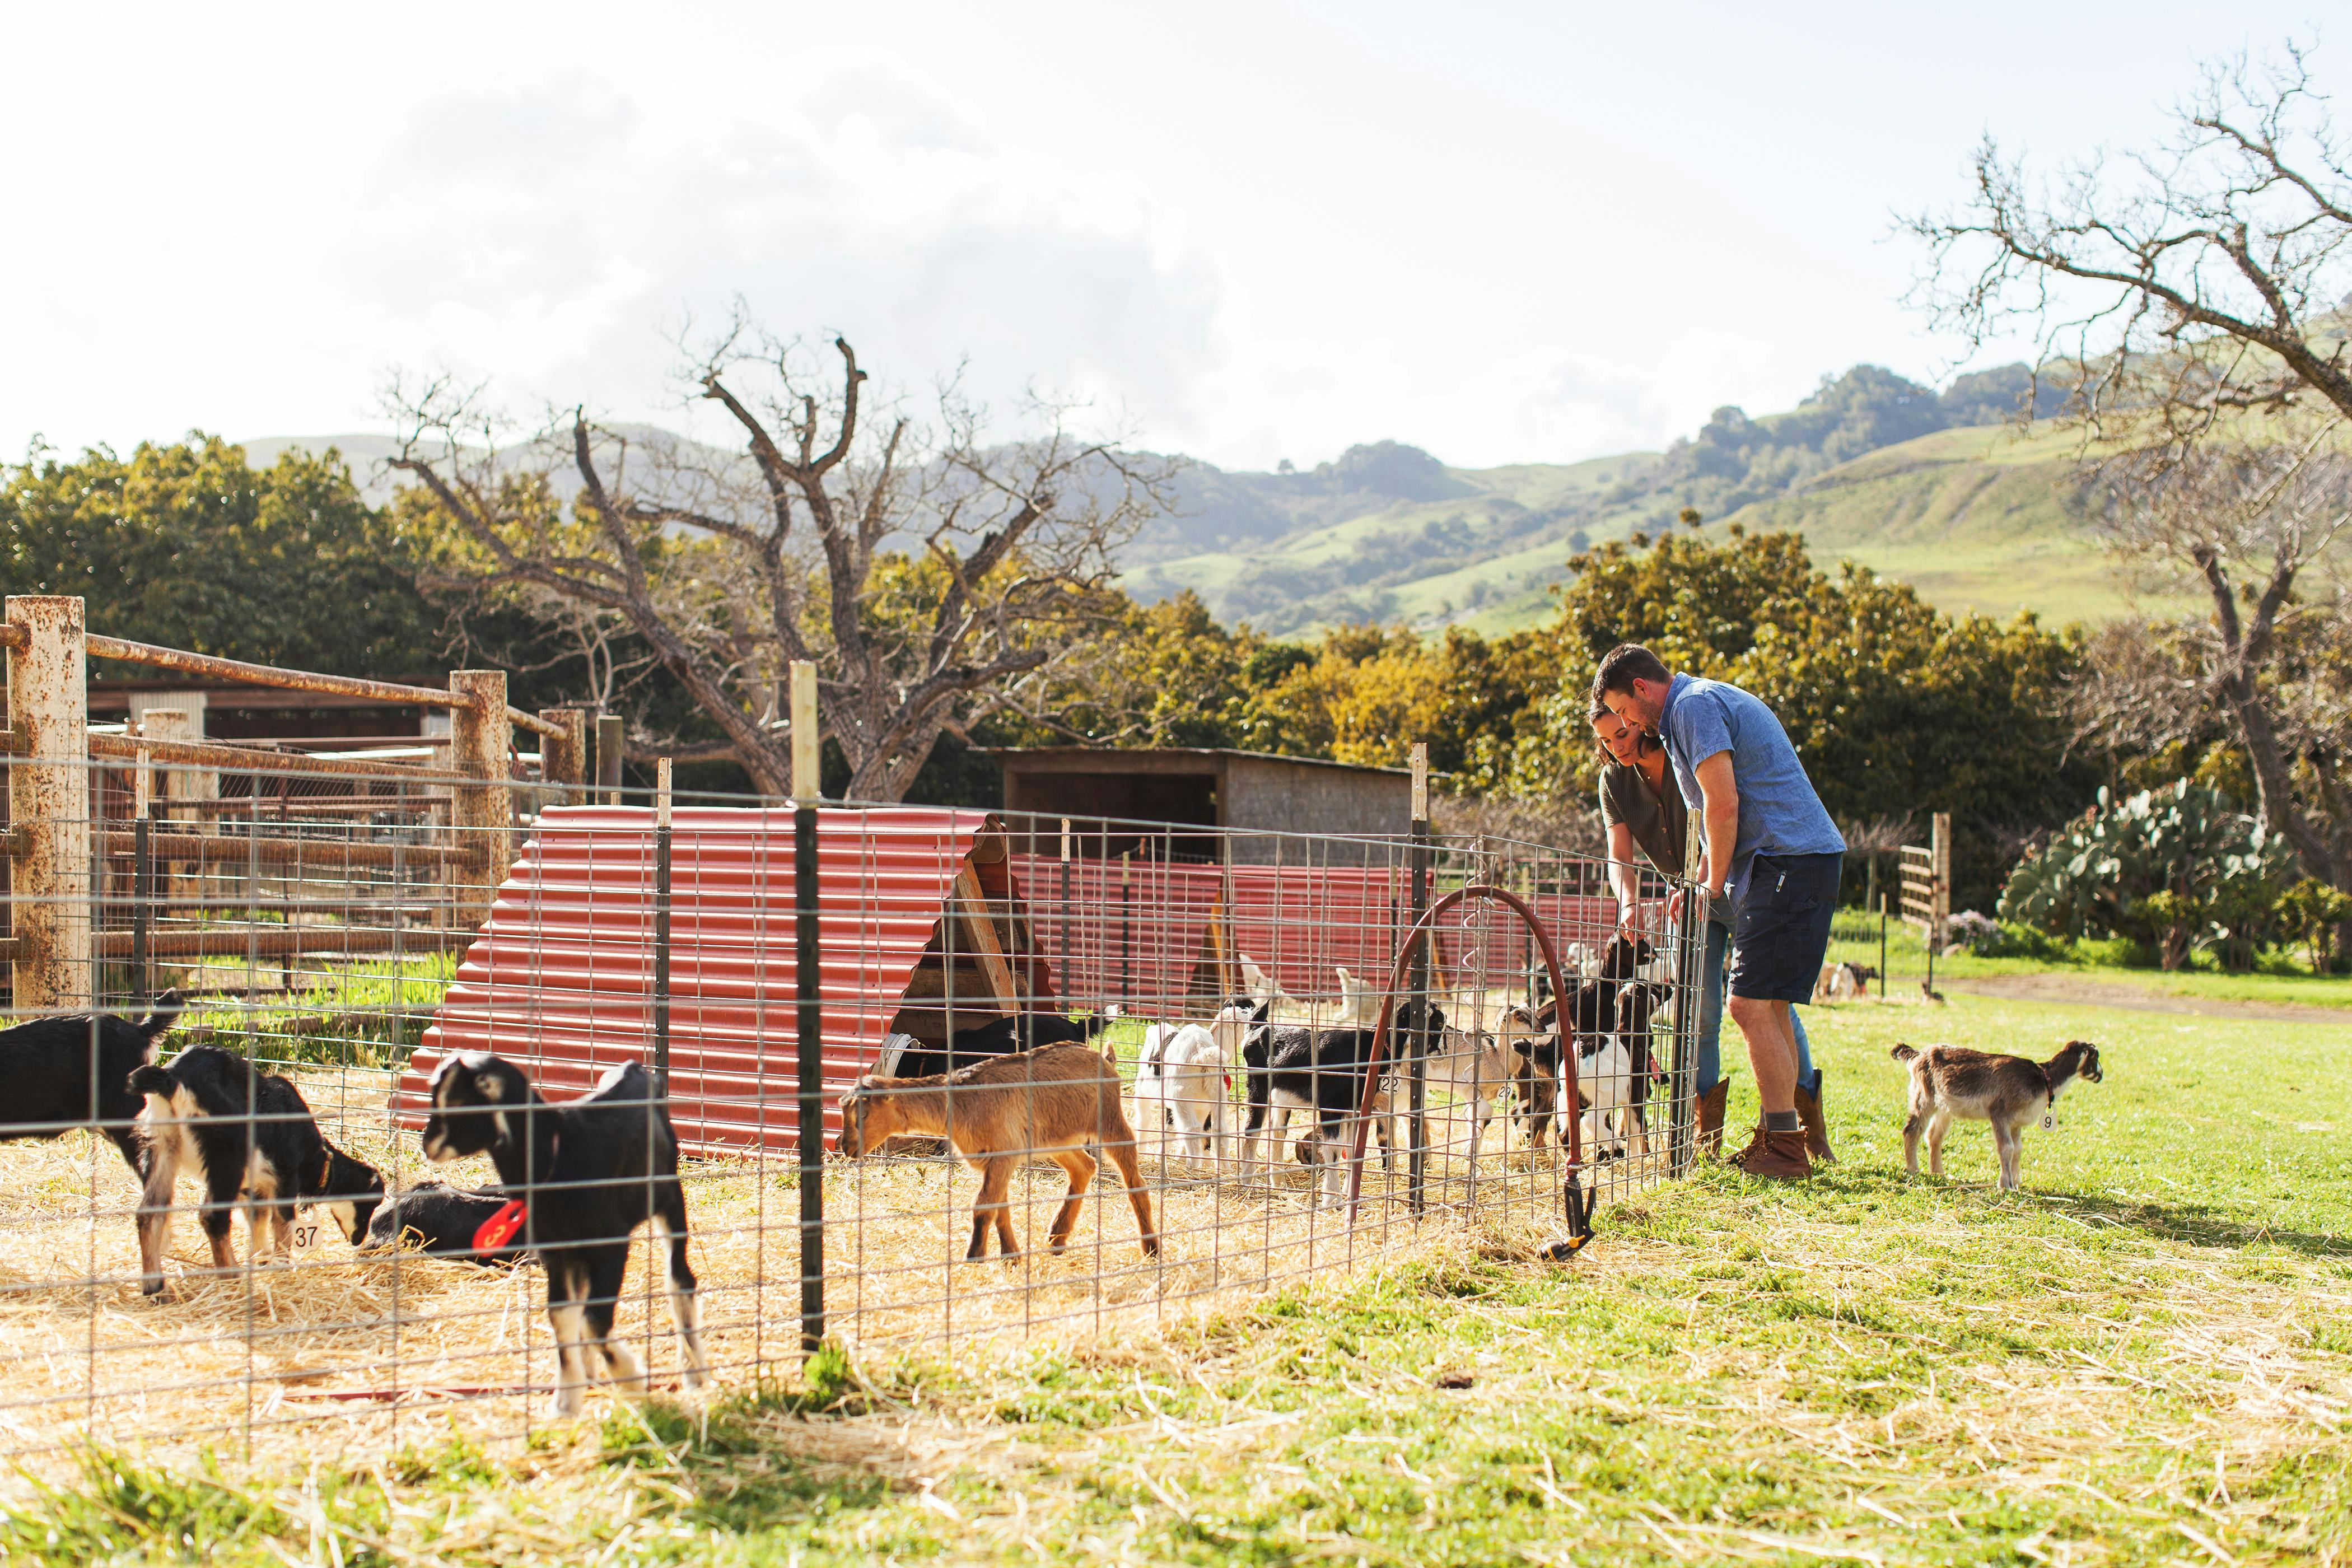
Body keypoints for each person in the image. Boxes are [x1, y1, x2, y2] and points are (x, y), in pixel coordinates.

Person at [1594, 644, 1845, 1180]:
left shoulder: (1691, 708)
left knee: (1748, 1006)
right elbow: (1713, 814)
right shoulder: (1692, 709)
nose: (1626, 723)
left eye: (1623, 710)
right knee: (1770, 1008)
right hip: (1791, 861)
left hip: (1785, 860)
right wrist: (1702, 878)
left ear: (1641, 688)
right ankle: (1782, 1139)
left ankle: (1785, 1144)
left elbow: (1724, 803)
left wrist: (1709, 887)